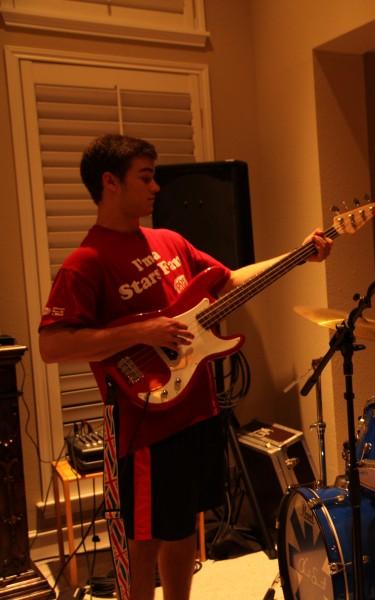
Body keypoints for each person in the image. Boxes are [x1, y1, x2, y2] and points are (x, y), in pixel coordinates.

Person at [38, 134, 332, 600]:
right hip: (144, 424)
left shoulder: (169, 241)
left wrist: (297, 257)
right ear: (110, 182)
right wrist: (140, 332)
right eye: (146, 177)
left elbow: (230, 281)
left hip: (197, 406)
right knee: (143, 539)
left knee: (183, 530)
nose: (157, 188)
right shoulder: (84, 264)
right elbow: (52, 346)